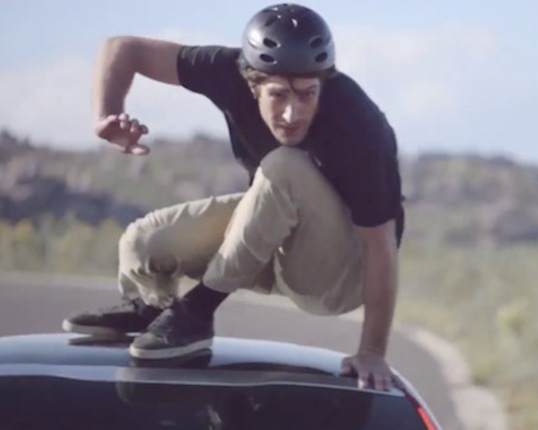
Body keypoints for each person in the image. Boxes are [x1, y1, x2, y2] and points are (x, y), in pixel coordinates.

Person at [62, 3, 404, 392]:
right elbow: (123, 47)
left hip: (337, 275)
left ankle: (196, 312)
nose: (293, 113)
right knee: (144, 244)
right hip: (272, 240)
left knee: (283, 165)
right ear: (251, 82)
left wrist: (373, 350)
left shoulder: (360, 125)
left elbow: (380, 245)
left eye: (308, 94)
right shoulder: (223, 70)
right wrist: (107, 113)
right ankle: (153, 307)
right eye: (279, 95)